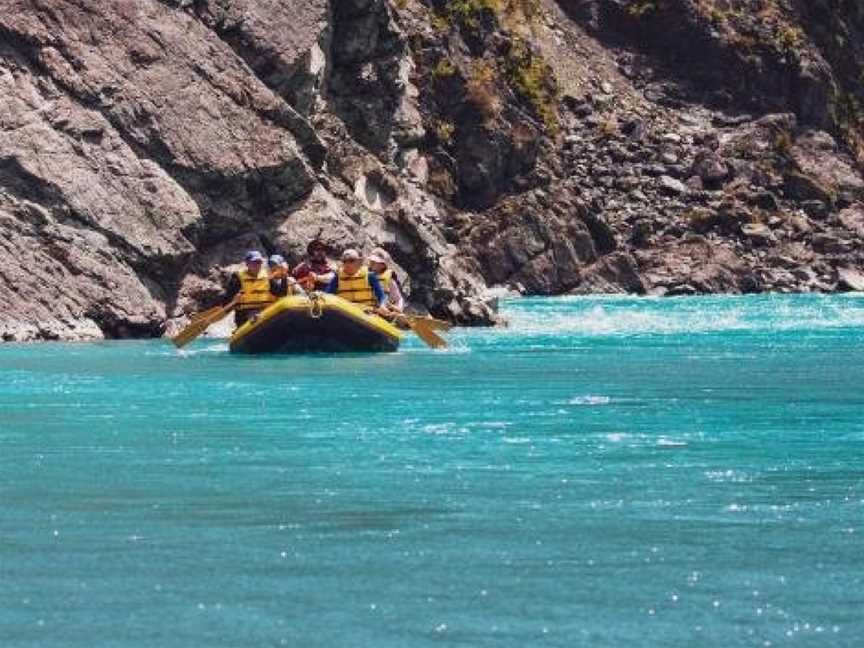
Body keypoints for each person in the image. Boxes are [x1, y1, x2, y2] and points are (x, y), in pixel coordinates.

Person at [222, 250, 277, 328]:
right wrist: (234, 300)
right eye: (254, 262)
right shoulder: (237, 278)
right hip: (245, 314)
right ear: (247, 264)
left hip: (265, 310)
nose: (257, 265)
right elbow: (226, 302)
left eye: (259, 262)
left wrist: (284, 279)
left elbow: (280, 293)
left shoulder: (267, 275)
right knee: (255, 316)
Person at [367, 247, 405, 314]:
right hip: (367, 307)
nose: (371, 263)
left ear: (383, 265)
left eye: (375, 262)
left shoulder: (389, 280)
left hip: (381, 311)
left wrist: (396, 308)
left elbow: (398, 299)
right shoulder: (365, 274)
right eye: (371, 261)